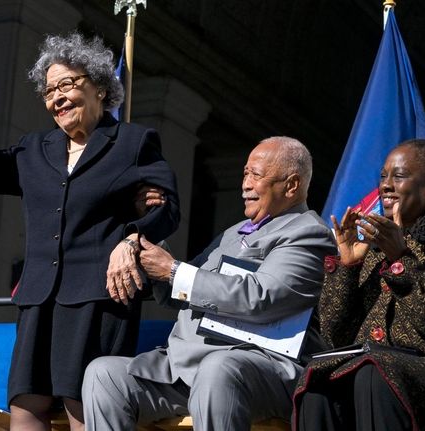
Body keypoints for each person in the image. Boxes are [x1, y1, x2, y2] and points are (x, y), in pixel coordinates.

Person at [0, 32, 179, 430]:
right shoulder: (35, 148)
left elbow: (167, 208)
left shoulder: (133, 143)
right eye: (50, 90)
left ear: (101, 88)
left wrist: (132, 237)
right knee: (25, 405)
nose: (57, 96)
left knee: (82, 405)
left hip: (99, 296)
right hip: (39, 297)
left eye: (68, 84)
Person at [83, 137, 336, 431]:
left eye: (256, 175)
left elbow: (260, 297)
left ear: (291, 186)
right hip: (187, 365)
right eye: (244, 174)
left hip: (256, 367)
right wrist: (153, 253)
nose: (245, 184)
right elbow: (186, 286)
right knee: (104, 374)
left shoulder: (308, 233)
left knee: (217, 370)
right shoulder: (233, 233)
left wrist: (173, 271)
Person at [293, 139, 425, 430]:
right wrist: (349, 266)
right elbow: (336, 336)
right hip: (375, 367)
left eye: (399, 175)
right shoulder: (374, 247)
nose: (386, 185)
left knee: (375, 370)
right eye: (383, 176)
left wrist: (401, 259)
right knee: (317, 379)